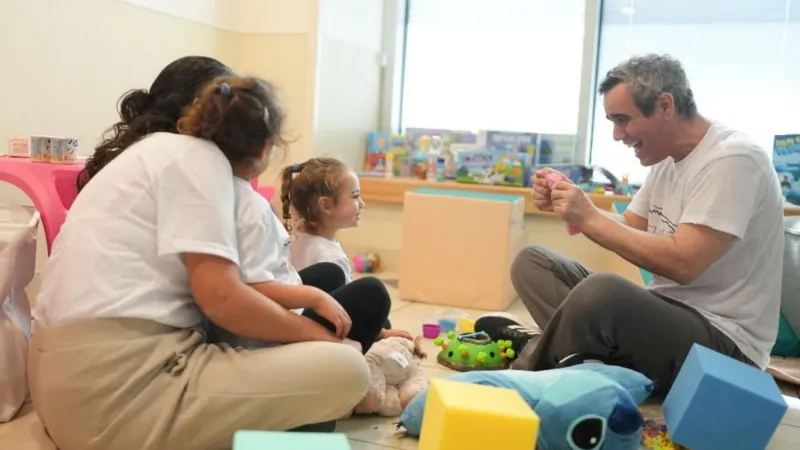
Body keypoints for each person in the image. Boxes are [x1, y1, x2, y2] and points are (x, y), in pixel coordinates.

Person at [29, 57, 371, 450]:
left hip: (67, 381)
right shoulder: (198, 160)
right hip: (114, 390)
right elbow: (223, 298)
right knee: (346, 370)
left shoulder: (152, 153)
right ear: (261, 144)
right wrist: (318, 338)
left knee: (312, 415)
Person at [475, 54, 784, 395]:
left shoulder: (734, 158)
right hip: (670, 316)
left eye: (623, 120)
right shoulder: (668, 158)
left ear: (665, 105)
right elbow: (630, 226)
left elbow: (684, 263)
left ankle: (528, 371)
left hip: (726, 347)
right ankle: (570, 352)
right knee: (533, 262)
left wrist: (589, 217)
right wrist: (574, 204)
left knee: (601, 294)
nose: (617, 135)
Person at [209, 124, 390, 353]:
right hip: (274, 323)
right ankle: (352, 357)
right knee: (374, 293)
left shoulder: (239, 198)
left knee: (331, 274)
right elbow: (253, 285)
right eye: (355, 197)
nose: (361, 203)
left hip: (283, 303)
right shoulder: (250, 207)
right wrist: (314, 299)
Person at [284, 157, 413, 341]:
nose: (362, 203)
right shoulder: (329, 257)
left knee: (384, 321)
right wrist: (382, 335)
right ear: (326, 205)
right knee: (377, 307)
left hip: (297, 319)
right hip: (321, 327)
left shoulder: (295, 241)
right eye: (355, 196)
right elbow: (339, 313)